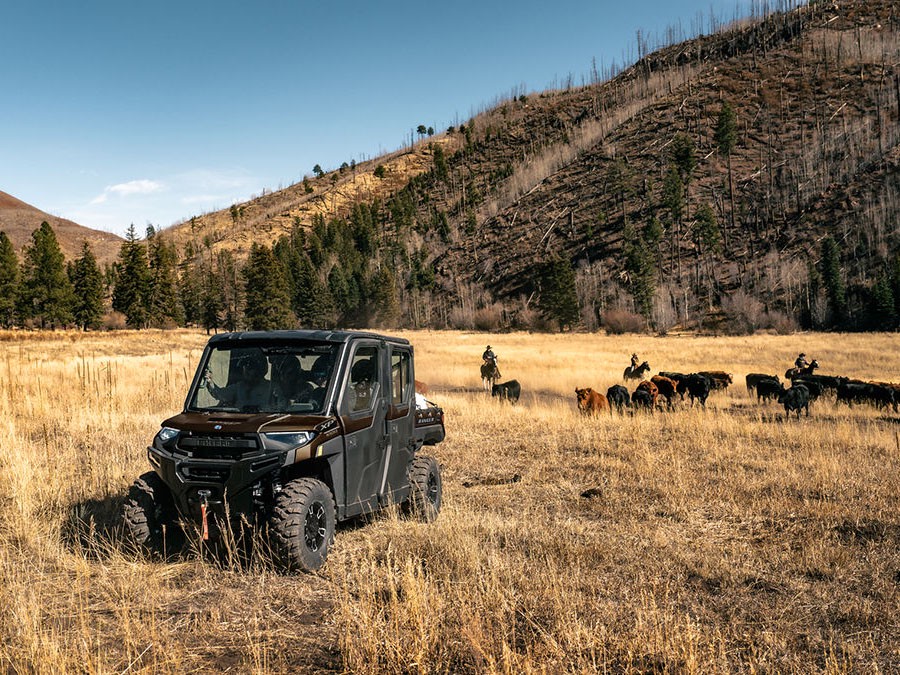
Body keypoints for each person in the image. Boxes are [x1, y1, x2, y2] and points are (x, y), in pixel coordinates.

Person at [204, 350, 270, 410]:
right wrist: (209, 381)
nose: (246, 370)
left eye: (250, 367)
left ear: (260, 369)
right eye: (244, 366)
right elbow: (220, 394)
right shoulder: (239, 387)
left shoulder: (271, 388)